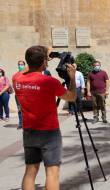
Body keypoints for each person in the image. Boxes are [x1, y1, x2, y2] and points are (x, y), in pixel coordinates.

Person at [13, 45, 76, 190]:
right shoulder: (49, 82)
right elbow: (71, 97)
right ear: (44, 63)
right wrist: (72, 78)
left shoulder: (17, 78)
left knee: (30, 171)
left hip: (29, 131)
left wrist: (41, 56)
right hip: (49, 132)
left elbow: (28, 67)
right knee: (52, 172)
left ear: (27, 61)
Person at [16, 60, 26, 129]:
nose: (20, 66)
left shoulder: (27, 74)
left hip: (27, 94)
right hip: (18, 95)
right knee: (20, 109)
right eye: (19, 64)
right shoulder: (16, 75)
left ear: (24, 65)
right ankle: (20, 124)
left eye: (22, 64)